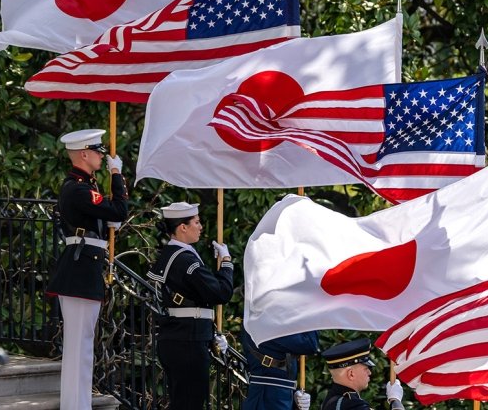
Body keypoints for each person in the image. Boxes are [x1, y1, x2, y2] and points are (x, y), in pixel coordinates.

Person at [46, 128, 128, 410]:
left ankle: (78, 404)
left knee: (83, 346)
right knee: (78, 347)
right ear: (83, 154)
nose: (101, 156)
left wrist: (107, 225)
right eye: (97, 151)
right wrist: (116, 175)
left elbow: (106, 217)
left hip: (85, 269)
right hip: (80, 270)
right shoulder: (78, 189)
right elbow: (119, 209)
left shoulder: (84, 187)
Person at [147, 202, 234, 410]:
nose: (201, 226)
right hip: (187, 340)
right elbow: (221, 293)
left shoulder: (174, 255)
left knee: (184, 402)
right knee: (190, 403)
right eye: (196, 222)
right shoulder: (186, 261)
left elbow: (194, 299)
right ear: (182, 227)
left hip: (181, 337)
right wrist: (227, 262)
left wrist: (211, 331)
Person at [241, 327, 319, 410]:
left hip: (275, 396)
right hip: (266, 398)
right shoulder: (261, 322)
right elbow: (309, 344)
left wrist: (294, 394)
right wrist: (308, 318)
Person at [320, 338, 403, 410]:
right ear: (351, 374)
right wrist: (395, 400)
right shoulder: (351, 405)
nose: (369, 372)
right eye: (366, 368)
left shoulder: (334, 400)